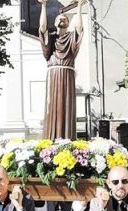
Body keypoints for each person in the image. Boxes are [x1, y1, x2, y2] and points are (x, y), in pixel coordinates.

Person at [38, 0, 84, 140]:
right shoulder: (51, 39)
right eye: (60, 19)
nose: (62, 20)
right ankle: (51, 137)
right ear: (55, 23)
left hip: (67, 74)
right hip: (54, 74)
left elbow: (79, 28)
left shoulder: (71, 38)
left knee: (67, 105)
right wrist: (44, 5)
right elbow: (42, 26)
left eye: (65, 19)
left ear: (68, 23)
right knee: (52, 105)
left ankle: (67, 137)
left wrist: (80, 6)